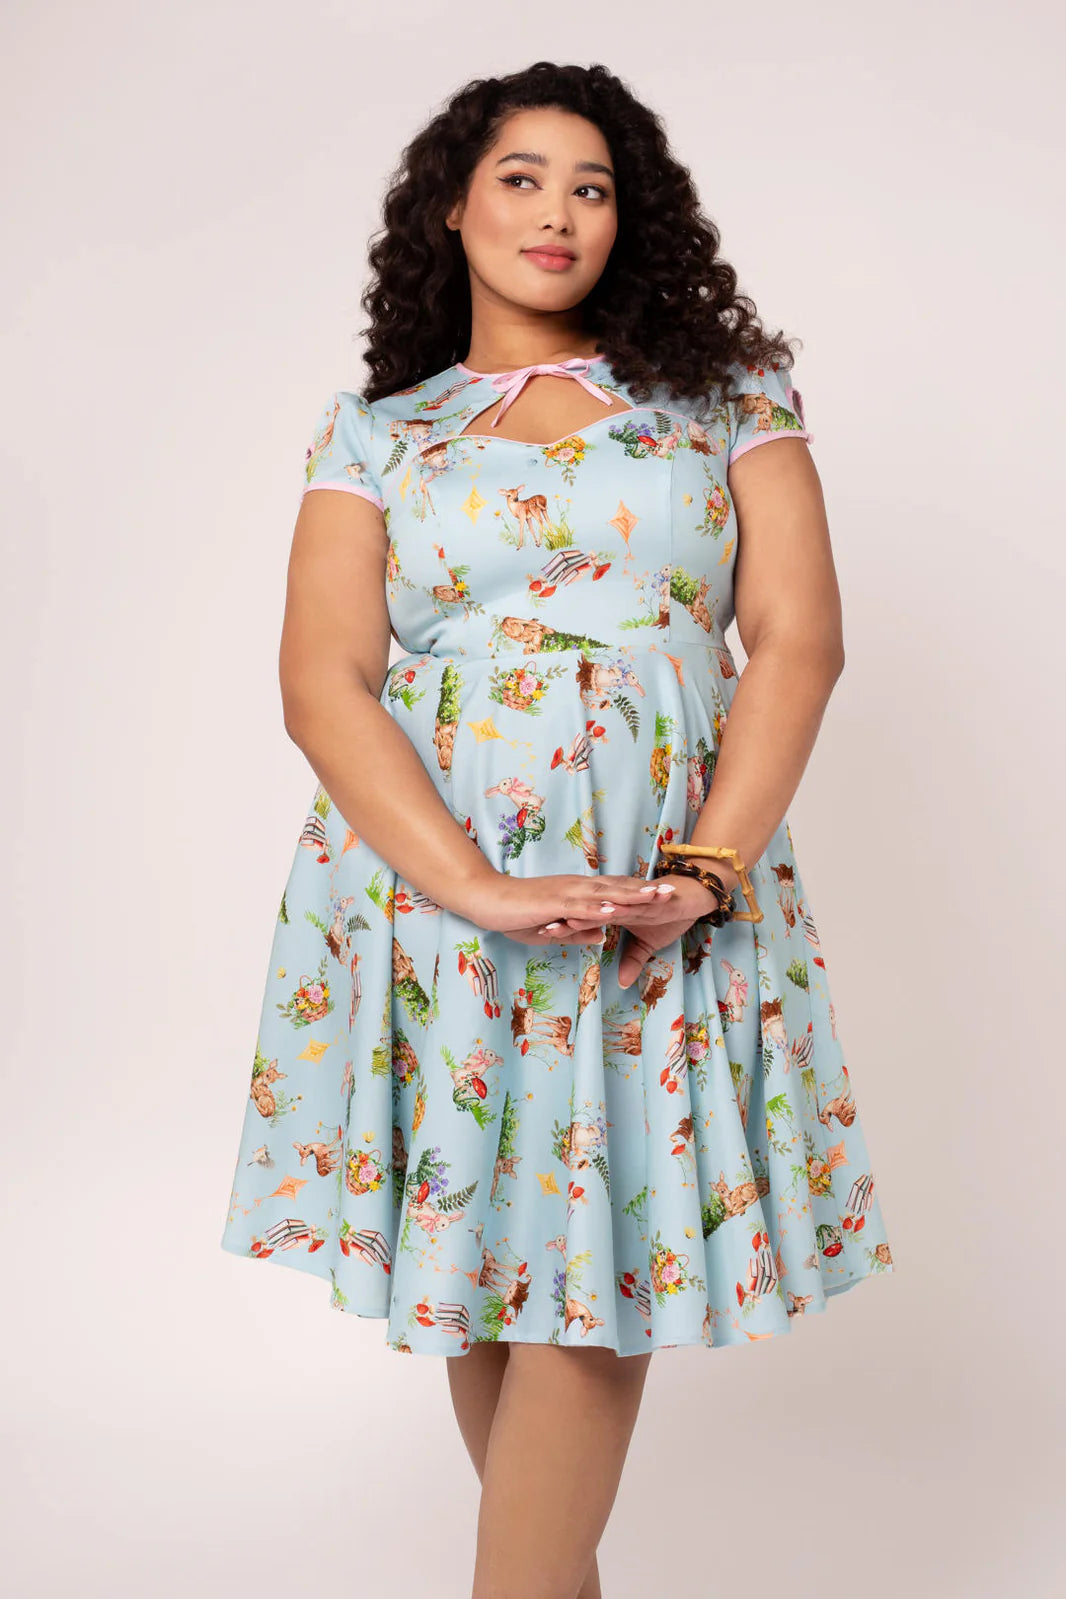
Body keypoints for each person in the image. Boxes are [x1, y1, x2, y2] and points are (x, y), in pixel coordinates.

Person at [220, 59, 895, 1599]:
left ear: (626, 220)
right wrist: (472, 887)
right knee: (481, 1277)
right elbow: (322, 681)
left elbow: (797, 642)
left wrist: (703, 870)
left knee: (597, 1272)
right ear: (450, 211)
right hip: (432, 895)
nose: (558, 212)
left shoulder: (725, 403)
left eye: (592, 186)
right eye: (521, 178)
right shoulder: (377, 433)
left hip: (658, 893)